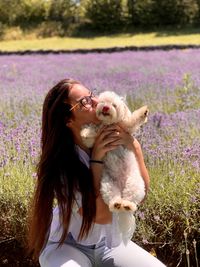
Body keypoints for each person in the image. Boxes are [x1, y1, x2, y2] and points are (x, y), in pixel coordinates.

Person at [28, 78, 166, 267]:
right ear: (68, 120)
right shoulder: (61, 164)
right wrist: (96, 161)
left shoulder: (110, 142)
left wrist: (133, 144)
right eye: (83, 102)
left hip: (109, 244)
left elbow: (141, 194)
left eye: (91, 95)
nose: (94, 101)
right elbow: (101, 215)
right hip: (67, 246)